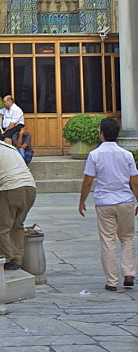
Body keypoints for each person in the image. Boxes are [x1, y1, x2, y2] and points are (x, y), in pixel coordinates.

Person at [78, 117, 138, 292]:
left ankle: (112, 281)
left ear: (101, 134)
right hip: (125, 200)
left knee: (108, 240)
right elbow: (135, 182)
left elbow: (88, 182)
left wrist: (82, 201)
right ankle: (129, 273)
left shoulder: (94, 155)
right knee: (127, 237)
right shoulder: (126, 155)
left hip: (104, 202)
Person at [0, 123, 37, 270]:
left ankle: (7, 259)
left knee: (0, 227)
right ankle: (17, 260)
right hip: (30, 188)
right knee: (16, 226)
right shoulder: (11, 148)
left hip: (11, 190)